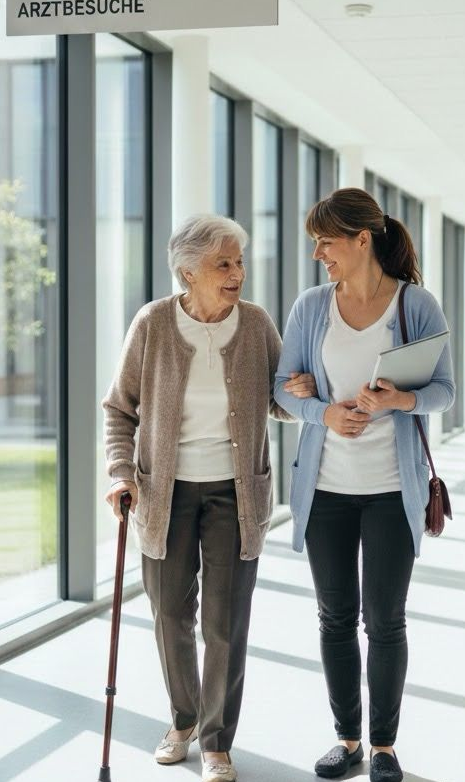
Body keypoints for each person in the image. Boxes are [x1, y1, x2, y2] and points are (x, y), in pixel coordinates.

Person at [102, 215, 315, 782]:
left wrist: (299, 393)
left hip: (235, 494)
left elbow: (277, 401)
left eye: (239, 262)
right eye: (224, 263)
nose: (237, 273)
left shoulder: (255, 324)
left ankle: (218, 740)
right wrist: (121, 472)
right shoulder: (152, 324)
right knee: (171, 614)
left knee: (225, 622)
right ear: (187, 272)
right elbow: (119, 409)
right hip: (162, 495)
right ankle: (184, 718)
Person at [273, 188, 455, 782]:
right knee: (334, 617)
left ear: (361, 238)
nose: (319, 253)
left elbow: (445, 391)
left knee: (385, 619)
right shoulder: (311, 307)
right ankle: (347, 740)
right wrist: (322, 412)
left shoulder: (416, 306)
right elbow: (281, 389)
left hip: (388, 488)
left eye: (326, 242)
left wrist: (401, 399)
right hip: (324, 488)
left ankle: (383, 747)